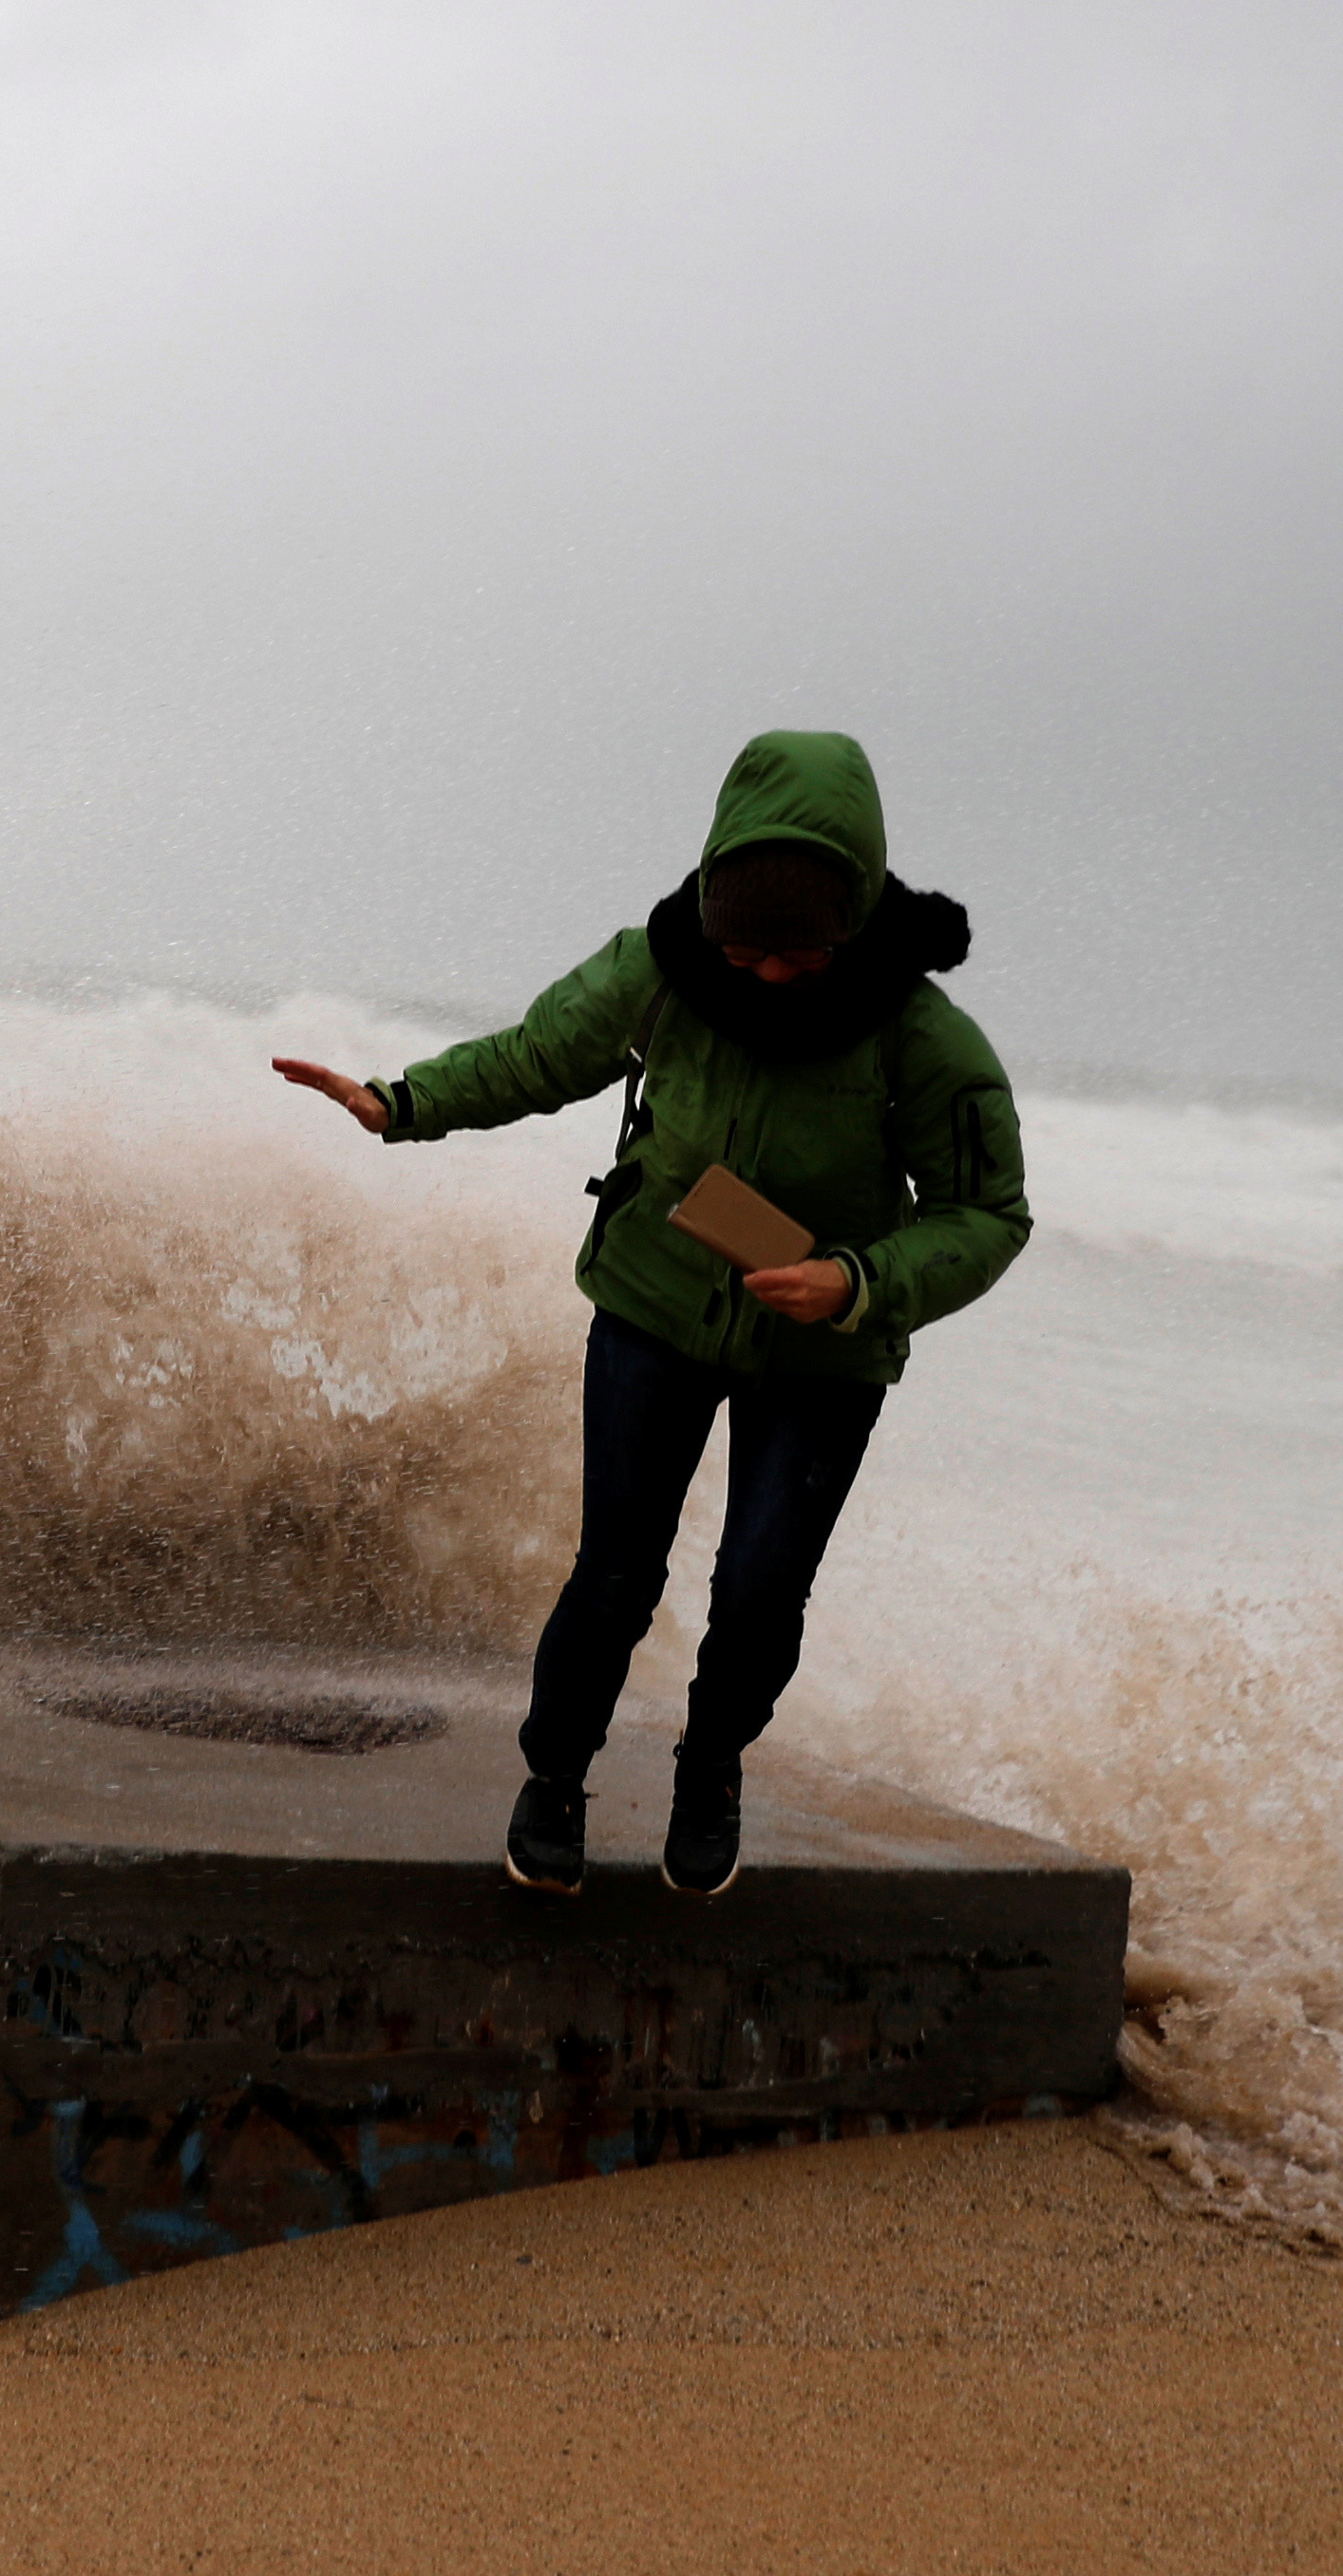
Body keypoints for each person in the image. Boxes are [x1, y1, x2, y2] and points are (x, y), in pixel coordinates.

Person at [274, 728, 1028, 1898]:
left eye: (799, 953)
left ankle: (712, 1766)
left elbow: (988, 1214)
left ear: (854, 920)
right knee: (616, 1573)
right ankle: (555, 1780)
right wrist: (405, 1103)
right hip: (652, 1312)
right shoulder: (662, 969)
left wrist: (857, 1281)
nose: (767, 974)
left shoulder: (921, 1038)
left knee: (761, 1587)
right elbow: (540, 1056)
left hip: (824, 1357)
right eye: (747, 947)